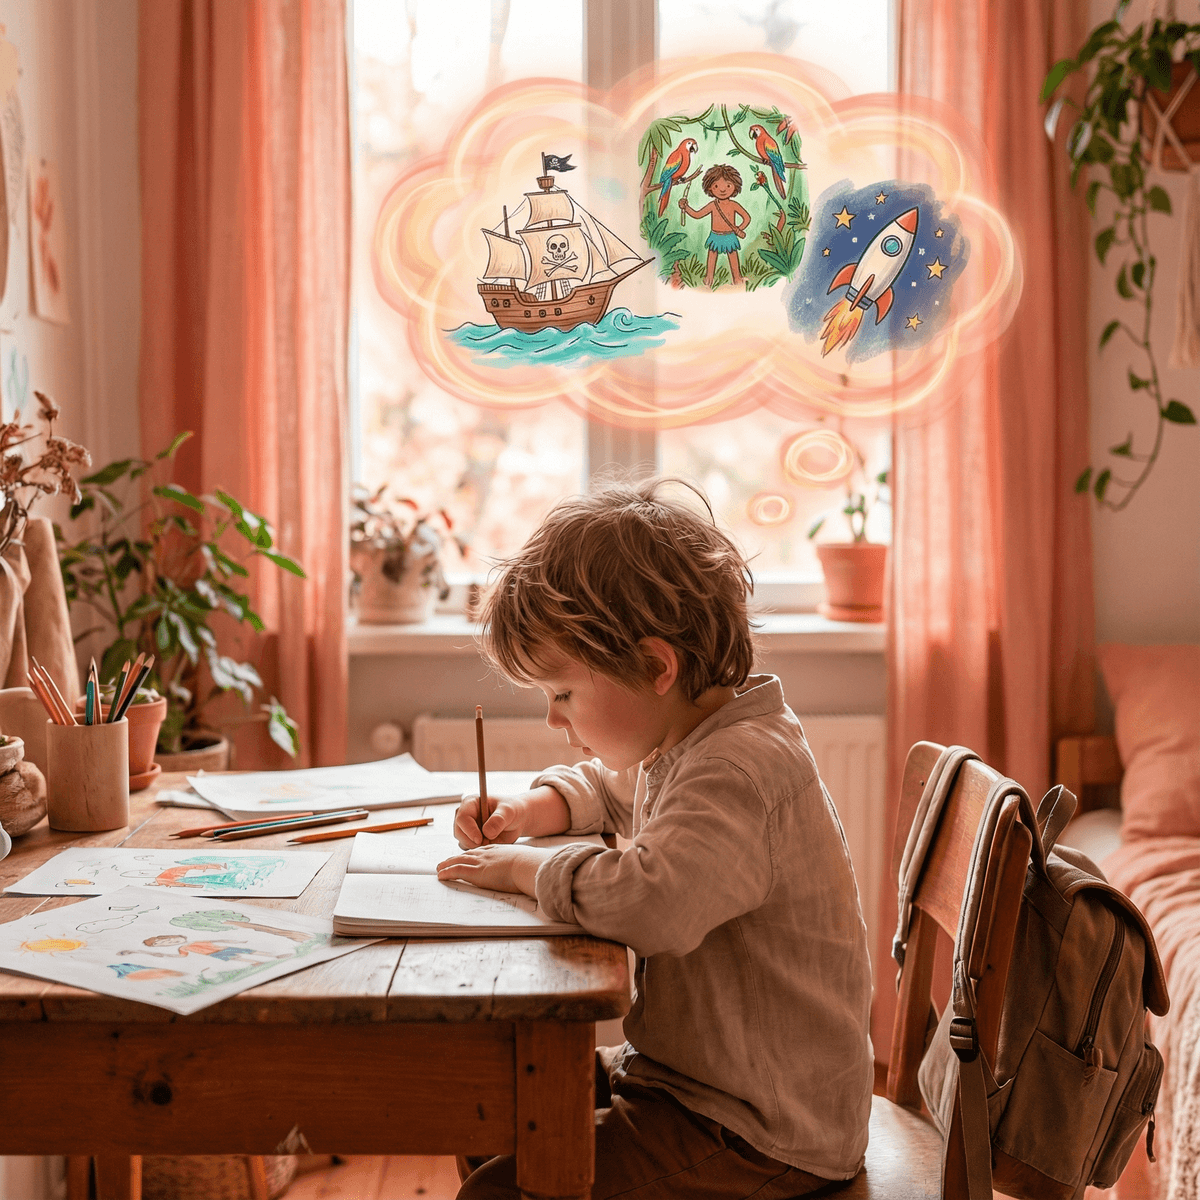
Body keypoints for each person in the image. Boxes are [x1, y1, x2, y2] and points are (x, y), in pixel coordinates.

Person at [437, 478, 874, 1200]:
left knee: (498, 1192)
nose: (554, 720)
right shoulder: (697, 739)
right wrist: (534, 807)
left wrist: (522, 869)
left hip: (760, 1133)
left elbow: (651, 903)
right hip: (704, 1088)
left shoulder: (738, 768)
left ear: (654, 665)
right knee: (490, 1104)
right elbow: (622, 789)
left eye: (564, 695)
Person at [679, 164, 752, 288]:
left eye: (728, 185)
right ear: (710, 188)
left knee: (732, 256)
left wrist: (739, 229)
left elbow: (747, 218)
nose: (722, 190)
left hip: (729, 235)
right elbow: (697, 215)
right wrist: (686, 208)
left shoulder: (733, 205)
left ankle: (737, 278)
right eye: (716, 186)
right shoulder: (712, 205)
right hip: (715, 235)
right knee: (712, 255)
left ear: (735, 186)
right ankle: (709, 279)